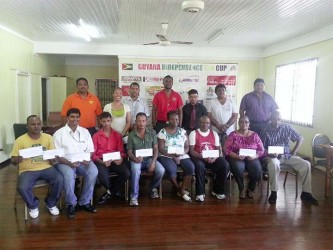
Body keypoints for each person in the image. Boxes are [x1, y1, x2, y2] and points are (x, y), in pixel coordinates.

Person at [260, 111, 318, 204]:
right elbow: (261, 147)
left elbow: (300, 138)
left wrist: (294, 151)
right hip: (272, 157)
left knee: (306, 164)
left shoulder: (286, 127)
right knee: (273, 164)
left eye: (279, 119)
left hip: (286, 155)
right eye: (274, 119)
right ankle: (274, 192)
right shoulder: (265, 129)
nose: (277, 121)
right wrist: (269, 153)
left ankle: (306, 193)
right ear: (270, 119)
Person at [10, 115, 63, 219]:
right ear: (27, 126)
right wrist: (17, 160)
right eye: (33, 124)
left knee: (60, 179)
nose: (36, 126)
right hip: (27, 170)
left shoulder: (48, 137)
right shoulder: (20, 140)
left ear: (41, 125)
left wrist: (53, 158)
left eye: (38, 124)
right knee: (22, 187)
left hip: (46, 167)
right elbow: (12, 160)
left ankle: (51, 203)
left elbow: (51, 156)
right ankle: (33, 205)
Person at [53, 108, 98, 219]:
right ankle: (70, 204)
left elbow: (91, 149)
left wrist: (88, 158)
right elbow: (57, 155)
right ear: (67, 118)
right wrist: (69, 163)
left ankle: (84, 202)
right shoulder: (59, 134)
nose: (75, 119)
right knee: (69, 175)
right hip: (64, 162)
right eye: (72, 117)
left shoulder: (85, 132)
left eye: (77, 117)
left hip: (82, 161)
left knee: (93, 171)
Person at [92, 111, 130, 205]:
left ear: (111, 120)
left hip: (114, 159)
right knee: (104, 178)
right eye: (104, 121)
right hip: (102, 161)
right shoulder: (96, 136)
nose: (106, 123)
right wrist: (102, 162)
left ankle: (109, 193)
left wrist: (121, 158)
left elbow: (122, 152)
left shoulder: (117, 135)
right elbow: (93, 155)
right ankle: (114, 191)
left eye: (108, 121)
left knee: (127, 173)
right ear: (100, 121)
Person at [127, 112, 165, 206]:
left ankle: (153, 188)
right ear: (135, 122)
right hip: (137, 160)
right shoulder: (131, 135)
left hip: (149, 160)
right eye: (139, 121)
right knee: (135, 170)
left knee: (161, 170)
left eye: (143, 121)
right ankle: (134, 197)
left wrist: (153, 161)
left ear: (146, 122)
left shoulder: (152, 133)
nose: (141, 123)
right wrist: (134, 158)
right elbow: (129, 151)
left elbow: (156, 149)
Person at [189, 116, 230, 202]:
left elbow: (218, 150)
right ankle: (200, 193)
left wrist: (214, 158)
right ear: (199, 123)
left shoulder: (214, 134)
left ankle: (217, 190)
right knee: (199, 166)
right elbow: (192, 151)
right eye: (203, 122)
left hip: (212, 157)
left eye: (207, 123)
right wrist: (203, 157)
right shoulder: (193, 133)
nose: (205, 124)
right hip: (199, 157)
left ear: (210, 124)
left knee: (224, 165)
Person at [157, 111, 195, 202]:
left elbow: (187, 147)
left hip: (181, 154)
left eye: (177, 119)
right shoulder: (162, 132)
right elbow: (161, 148)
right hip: (166, 155)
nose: (175, 121)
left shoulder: (183, 131)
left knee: (191, 167)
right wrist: (173, 156)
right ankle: (181, 191)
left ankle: (181, 190)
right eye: (172, 119)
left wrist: (181, 153)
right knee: (171, 170)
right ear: (168, 120)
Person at [224, 116, 265, 199]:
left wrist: (255, 156)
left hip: (252, 157)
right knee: (237, 168)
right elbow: (226, 149)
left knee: (257, 169)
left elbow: (262, 150)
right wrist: (236, 156)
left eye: (246, 122)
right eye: (242, 122)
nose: (244, 123)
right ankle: (241, 188)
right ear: (238, 123)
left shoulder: (255, 135)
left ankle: (251, 188)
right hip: (237, 156)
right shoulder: (233, 134)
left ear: (249, 124)